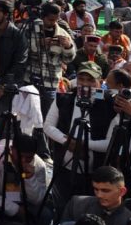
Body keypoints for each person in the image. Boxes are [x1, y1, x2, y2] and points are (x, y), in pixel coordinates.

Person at [43, 63, 120, 204]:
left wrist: (83, 145)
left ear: (100, 82)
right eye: (81, 79)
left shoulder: (110, 105)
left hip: (94, 175)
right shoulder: (64, 99)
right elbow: (48, 126)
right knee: (61, 206)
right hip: (63, 168)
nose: (85, 84)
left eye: (90, 80)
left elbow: (111, 143)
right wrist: (67, 141)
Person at [0, 133, 50, 225]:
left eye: (28, 158)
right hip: (0, 200)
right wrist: (14, 209)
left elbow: (38, 200)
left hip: (24, 202)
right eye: (20, 156)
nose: (23, 161)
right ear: (11, 149)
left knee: (45, 214)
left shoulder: (39, 166)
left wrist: (30, 179)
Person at [59, 166, 131, 225]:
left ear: (122, 191)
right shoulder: (76, 205)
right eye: (96, 189)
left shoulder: (129, 223)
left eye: (105, 190)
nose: (99, 195)